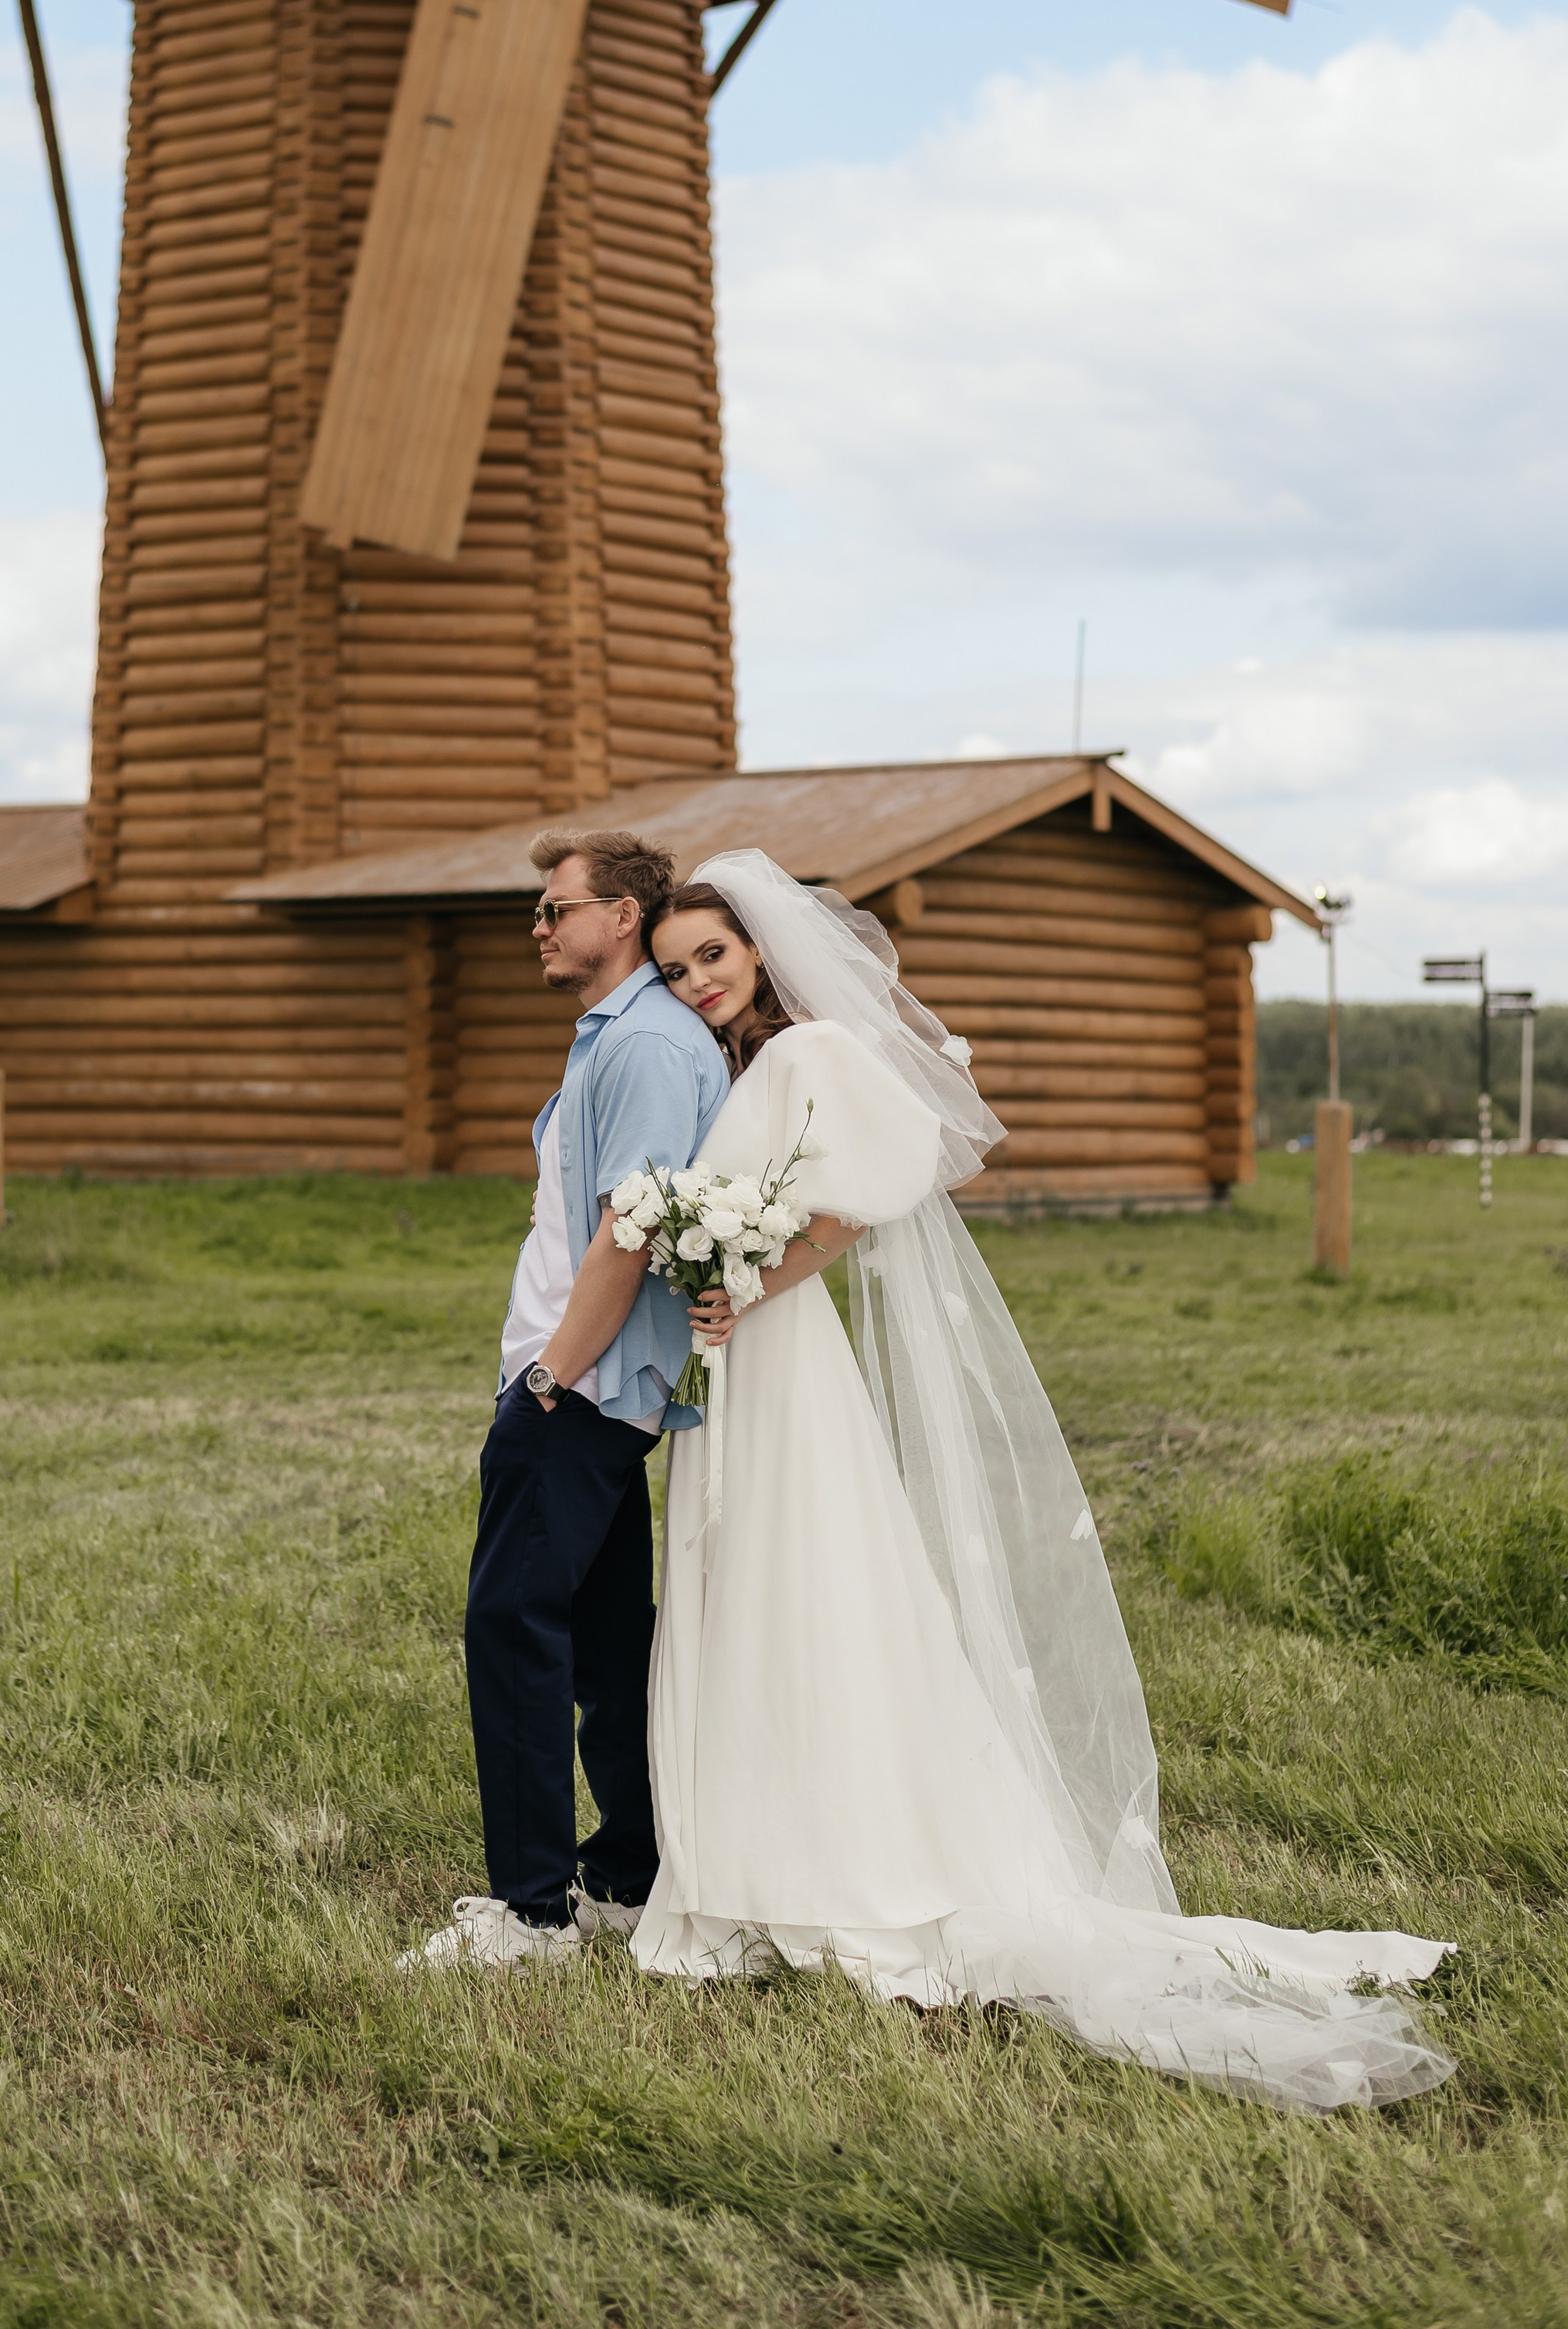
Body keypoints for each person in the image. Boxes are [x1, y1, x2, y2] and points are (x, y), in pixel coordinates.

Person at [632, 851, 1455, 2111]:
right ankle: (744, 1851)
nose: (696, 980)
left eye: (713, 956)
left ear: (760, 951)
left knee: (803, 1574)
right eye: (676, 967)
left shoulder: (809, 1052)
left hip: (781, 1352)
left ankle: (834, 1857)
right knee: (745, 1572)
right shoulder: (734, 1066)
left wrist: (748, 1282)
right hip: (740, 1353)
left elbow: (864, 1200)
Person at [401, 828, 730, 1972]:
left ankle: (532, 1913)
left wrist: (547, 1379)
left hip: (578, 1391)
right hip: (591, 1388)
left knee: (513, 1629)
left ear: (622, 917)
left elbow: (627, 1232)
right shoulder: (620, 1037)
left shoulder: (643, 1043)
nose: (537, 927)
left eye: (556, 909)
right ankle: (628, 1881)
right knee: (605, 1644)